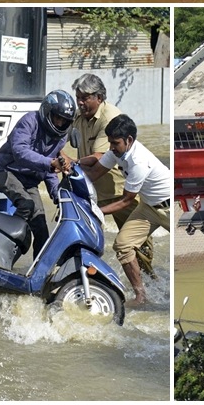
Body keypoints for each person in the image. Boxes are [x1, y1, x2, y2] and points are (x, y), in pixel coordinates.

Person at [65, 74, 155, 275]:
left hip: (121, 189)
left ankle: (150, 280)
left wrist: (72, 163)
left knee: (137, 245)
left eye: (85, 98)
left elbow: (98, 157)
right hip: (92, 188)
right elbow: (60, 137)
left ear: (99, 97)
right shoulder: (79, 116)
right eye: (78, 97)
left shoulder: (110, 118)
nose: (80, 102)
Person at [83, 114, 171, 307]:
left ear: (129, 140)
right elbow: (95, 173)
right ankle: (141, 296)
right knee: (122, 245)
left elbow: (125, 200)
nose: (112, 147)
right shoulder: (117, 152)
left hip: (171, 209)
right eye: (110, 143)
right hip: (148, 206)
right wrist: (69, 167)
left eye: (115, 143)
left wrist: (93, 211)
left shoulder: (139, 162)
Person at [0, 90, 76, 259]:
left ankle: (39, 273)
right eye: (57, 118)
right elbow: (20, 151)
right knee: (26, 206)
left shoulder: (61, 138)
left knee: (42, 228)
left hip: (29, 181)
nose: (59, 123)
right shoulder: (29, 121)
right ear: (47, 111)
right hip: (5, 171)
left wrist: (57, 194)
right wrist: (50, 164)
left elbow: (50, 170)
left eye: (64, 121)